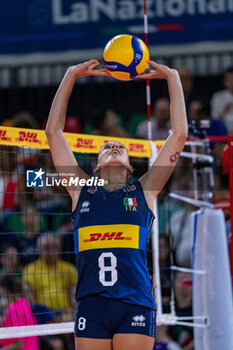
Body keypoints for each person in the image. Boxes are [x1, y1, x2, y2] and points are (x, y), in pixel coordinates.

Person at [45, 59, 188, 350]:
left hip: (134, 303)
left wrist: (172, 77)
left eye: (119, 147)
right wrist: (71, 75)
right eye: (106, 147)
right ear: (96, 167)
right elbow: (53, 133)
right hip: (92, 306)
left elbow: (179, 135)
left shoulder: (144, 190)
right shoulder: (81, 190)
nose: (113, 146)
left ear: (130, 166)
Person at [23, 233, 77, 313]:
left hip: (66, 314)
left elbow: (74, 295)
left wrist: (72, 312)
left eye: (55, 247)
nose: (51, 250)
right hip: (42, 315)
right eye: (47, 247)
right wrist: (42, 314)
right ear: (39, 249)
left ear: (60, 250)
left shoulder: (69, 268)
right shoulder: (30, 269)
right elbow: (29, 297)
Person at [210, 66, 233, 133]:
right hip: (223, 132)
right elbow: (214, 119)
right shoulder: (218, 97)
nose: (232, 82)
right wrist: (225, 110)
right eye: (229, 80)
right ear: (225, 82)